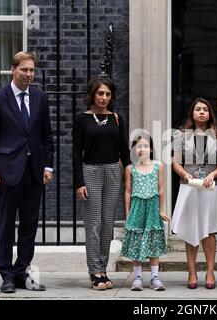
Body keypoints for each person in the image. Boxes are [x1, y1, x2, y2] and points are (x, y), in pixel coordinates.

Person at [0, 51, 55, 293]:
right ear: (13, 70)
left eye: (32, 70)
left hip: (34, 173)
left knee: (29, 225)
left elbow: (46, 135)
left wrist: (47, 165)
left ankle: (22, 271)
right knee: (5, 225)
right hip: (7, 172)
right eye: (24, 70)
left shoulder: (40, 97)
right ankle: (7, 275)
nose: (29, 74)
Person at [73, 77, 130, 290]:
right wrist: (79, 182)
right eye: (100, 93)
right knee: (93, 224)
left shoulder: (116, 118)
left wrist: (129, 175)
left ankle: (103, 270)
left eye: (107, 94)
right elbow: (75, 153)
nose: (104, 97)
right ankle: (94, 271)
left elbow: (124, 150)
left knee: (107, 224)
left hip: (113, 171)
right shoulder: (82, 119)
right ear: (92, 95)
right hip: (91, 172)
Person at [170, 98, 217, 290]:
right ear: (192, 113)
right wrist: (184, 173)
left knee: (208, 229)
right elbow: (175, 162)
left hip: (210, 187)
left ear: (210, 114)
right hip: (189, 185)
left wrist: (213, 173)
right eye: (198, 109)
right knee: (190, 228)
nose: (201, 112)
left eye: (205, 110)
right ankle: (192, 271)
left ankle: (210, 271)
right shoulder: (181, 135)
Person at [120, 134, 168, 291]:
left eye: (145, 146)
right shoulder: (130, 168)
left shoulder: (158, 166)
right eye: (139, 146)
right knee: (136, 240)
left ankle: (155, 278)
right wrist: (127, 215)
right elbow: (128, 192)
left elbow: (161, 189)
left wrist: (161, 209)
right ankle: (138, 277)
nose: (142, 149)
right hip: (137, 208)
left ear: (151, 149)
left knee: (153, 240)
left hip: (153, 208)